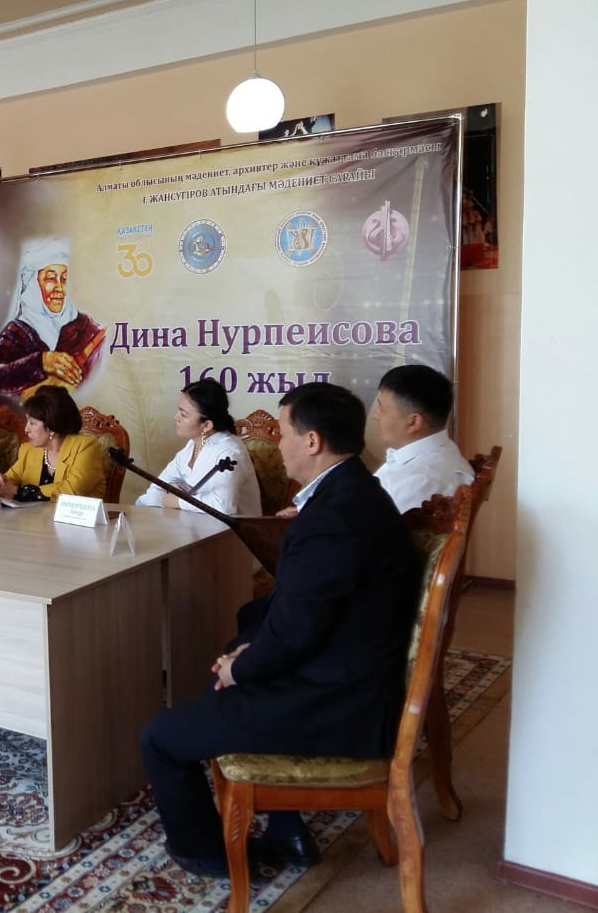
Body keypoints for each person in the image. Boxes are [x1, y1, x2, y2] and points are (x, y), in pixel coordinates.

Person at [140, 382, 420, 878]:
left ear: (312, 441)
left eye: (284, 432)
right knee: (235, 647)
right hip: (347, 671)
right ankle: (286, 828)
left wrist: (242, 666)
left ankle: (208, 855)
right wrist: (243, 656)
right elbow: (301, 616)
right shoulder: (351, 492)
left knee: (159, 737)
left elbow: (293, 633)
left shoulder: (331, 518)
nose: (277, 444)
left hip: (337, 703)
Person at [0, 237, 105, 399]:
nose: (59, 288)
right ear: (34, 285)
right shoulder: (16, 333)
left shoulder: (85, 326)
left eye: (63, 279)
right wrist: (41, 362)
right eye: (51, 278)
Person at [135, 378, 262, 515]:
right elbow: (157, 489)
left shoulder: (229, 453)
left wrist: (177, 501)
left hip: (234, 528)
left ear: (206, 425)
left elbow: (223, 506)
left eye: (183, 414)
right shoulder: (193, 445)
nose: (176, 417)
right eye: (178, 411)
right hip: (194, 525)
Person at [371, 364, 473, 513]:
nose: (375, 415)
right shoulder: (444, 450)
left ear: (413, 422)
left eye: (382, 409)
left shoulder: (420, 482)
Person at [0, 385, 105, 502]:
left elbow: (72, 489)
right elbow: (10, 478)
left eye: (32, 423)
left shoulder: (86, 447)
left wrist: (18, 492)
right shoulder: (29, 450)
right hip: (35, 516)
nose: (26, 429)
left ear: (52, 427)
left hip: (76, 516)